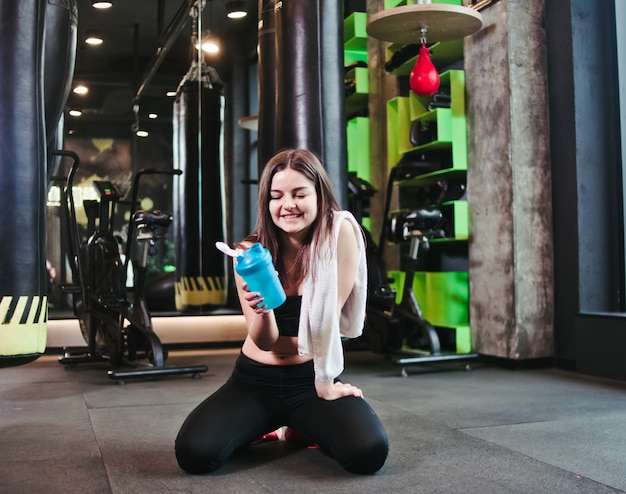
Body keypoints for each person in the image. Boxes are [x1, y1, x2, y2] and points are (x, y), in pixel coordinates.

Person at [175, 148, 389, 475]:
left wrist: (326, 378)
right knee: (194, 454)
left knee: (368, 453)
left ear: (320, 195)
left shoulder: (340, 236)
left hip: (312, 382)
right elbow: (264, 341)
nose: (287, 204)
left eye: (299, 193)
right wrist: (261, 309)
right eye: (276, 196)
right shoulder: (249, 252)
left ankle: (298, 429)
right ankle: (270, 427)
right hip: (253, 381)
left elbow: (325, 329)